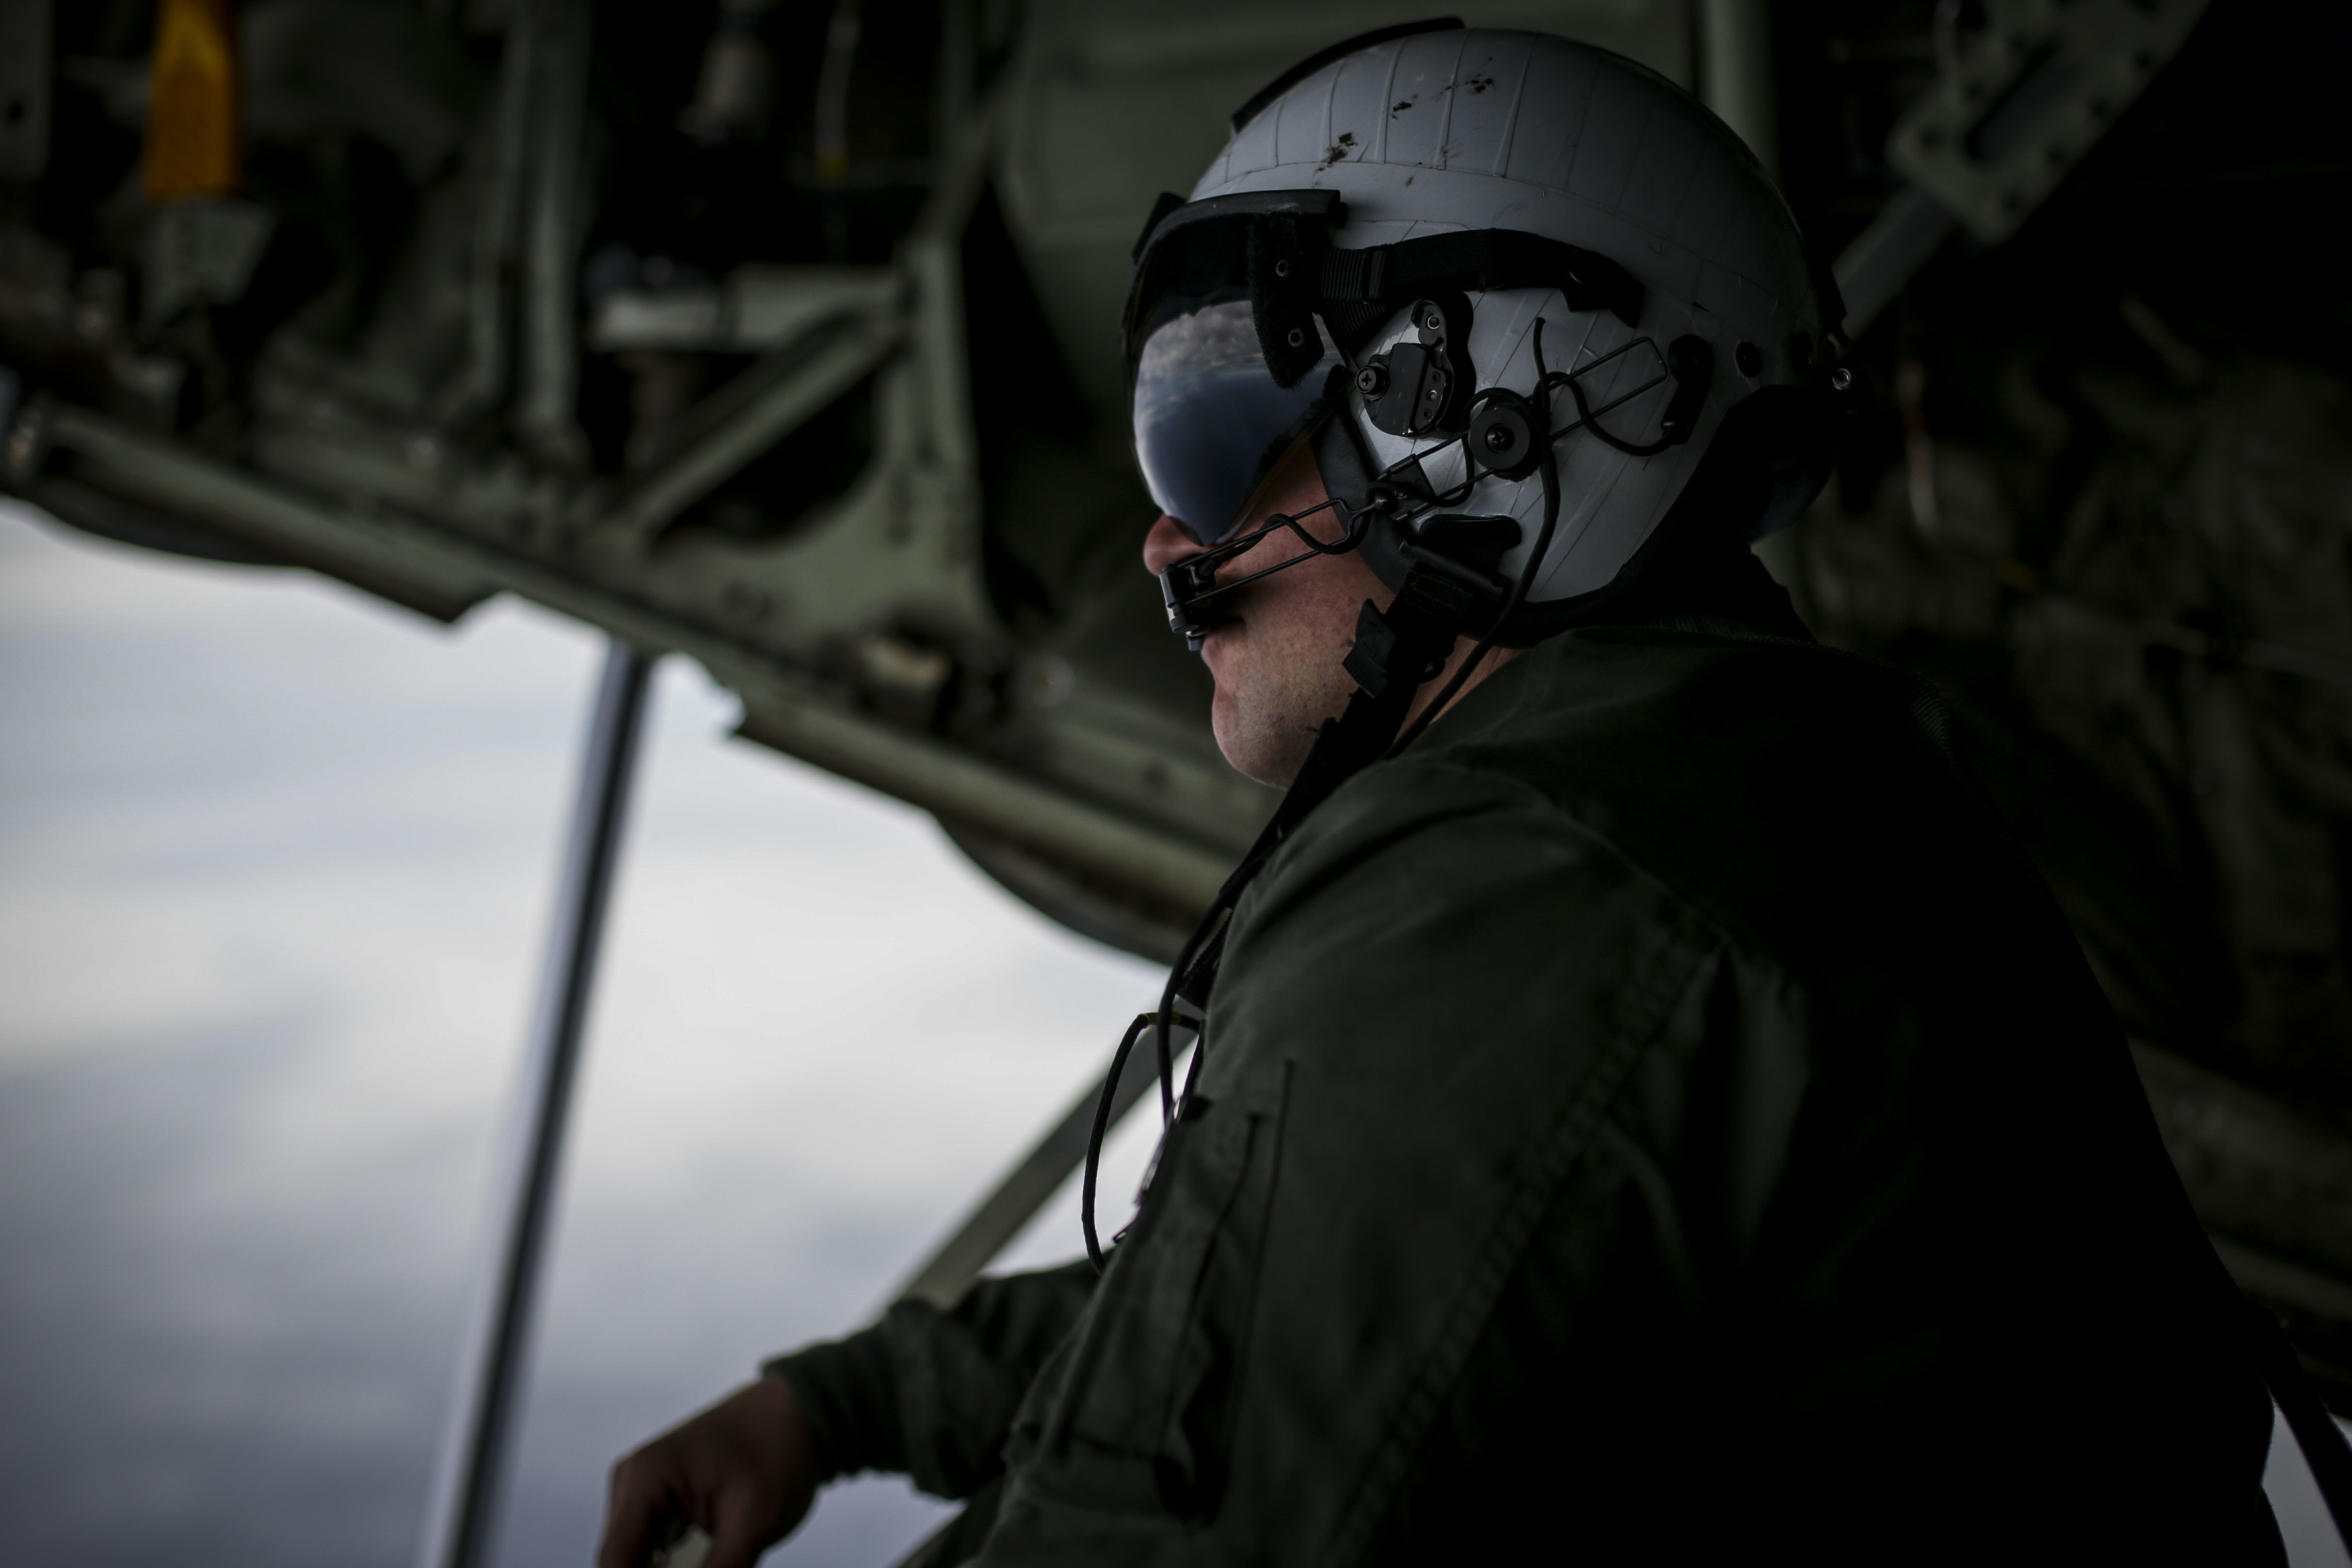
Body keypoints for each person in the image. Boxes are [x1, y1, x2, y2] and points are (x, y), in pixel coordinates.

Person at [600, 24, 2283, 1565]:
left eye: (1212, 435)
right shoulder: (1757, 784)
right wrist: (844, 1404)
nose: (1164, 539)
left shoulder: (1523, 876)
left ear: (1484, 420)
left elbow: (1188, 1505)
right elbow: (1320, 1283)